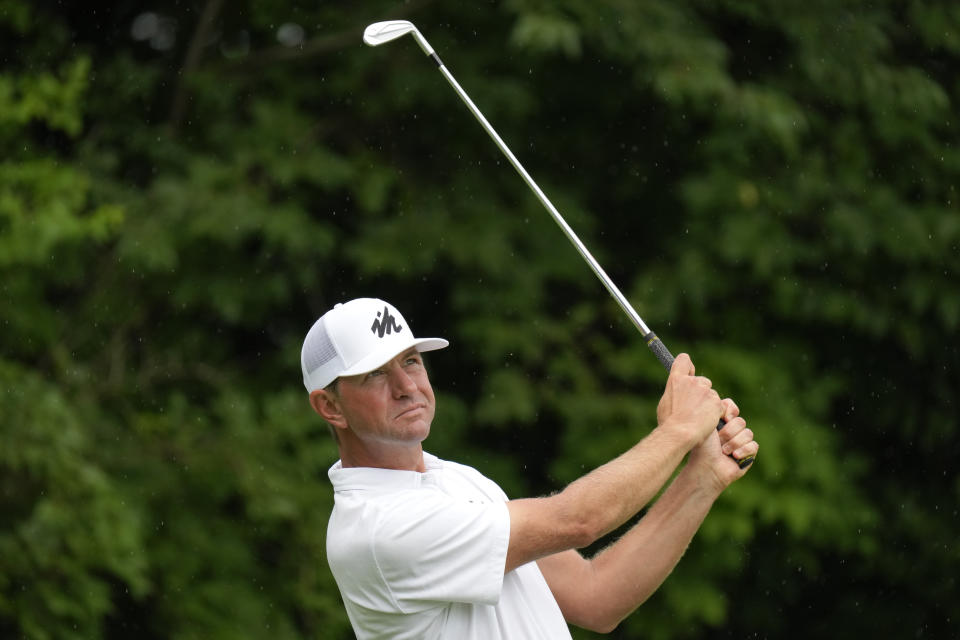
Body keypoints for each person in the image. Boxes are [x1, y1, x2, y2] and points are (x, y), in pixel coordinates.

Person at [301, 297, 758, 639]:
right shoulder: (378, 528)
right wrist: (678, 432)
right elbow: (578, 521)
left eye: (412, 361)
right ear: (330, 407)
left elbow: (597, 595)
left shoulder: (460, 481)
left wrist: (702, 476)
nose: (407, 386)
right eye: (375, 375)